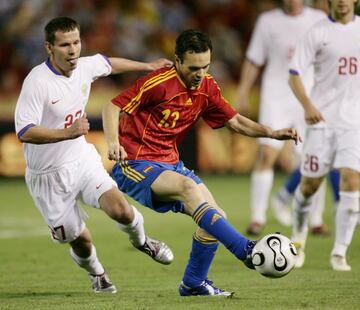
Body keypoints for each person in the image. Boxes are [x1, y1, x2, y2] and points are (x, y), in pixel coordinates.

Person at [102, 29, 301, 296]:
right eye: (194, 67)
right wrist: (113, 142)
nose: (200, 73)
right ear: (177, 61)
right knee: (188, 188)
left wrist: (271, 133)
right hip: (135, 164)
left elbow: (236, 121)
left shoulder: (207, 87)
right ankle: (245, 250)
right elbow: (112, 107)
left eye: (205, 66)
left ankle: (193, 283)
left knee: (217, 218)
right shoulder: (158, 83)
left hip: (170, 164)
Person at [14, 17, 174, 294]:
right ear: (49, 47)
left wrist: (147, 66)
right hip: (47, 177)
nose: (73, 50)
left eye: (76, 42)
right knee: (78, 239)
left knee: (121, 210)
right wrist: (68, 132)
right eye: (65, 45)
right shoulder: (37, 82)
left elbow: (108, 63)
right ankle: (97, 273)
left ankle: (143, 241)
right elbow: (25, 131)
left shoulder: (84, 67)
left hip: (81, 160)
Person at [235, 0, 329, 236]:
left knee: (313, 159)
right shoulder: (268, 21)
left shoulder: (318, 19)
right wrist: (243, 91)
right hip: (275, 95)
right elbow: (254, 59)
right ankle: (257, 217)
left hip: (308, 96)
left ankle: (315, 219)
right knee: (267, 153)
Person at [289, 0, 360, 271]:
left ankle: (339, 252)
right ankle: (298, 238)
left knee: (352, 181)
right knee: (309, 186)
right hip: (321, 121)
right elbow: (294, 74)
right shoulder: (317, 32)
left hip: (353, 123)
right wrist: (308, 105)